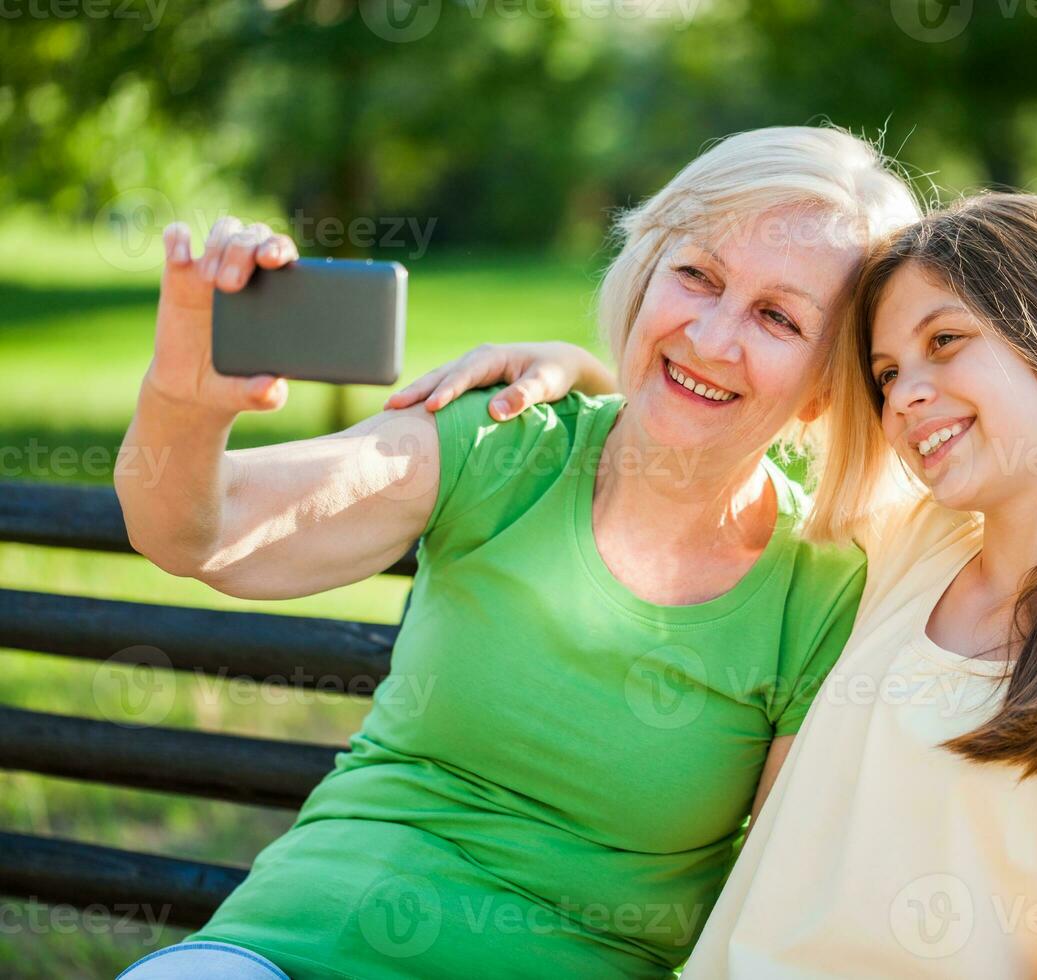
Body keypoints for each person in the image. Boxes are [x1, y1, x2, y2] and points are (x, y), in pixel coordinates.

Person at [113, 126, 922, 979]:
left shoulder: (822, 592)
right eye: (698, 275)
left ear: (828, 386)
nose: (712, 336)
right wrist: (186, 399)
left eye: (777, 318)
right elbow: (194, 530)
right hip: (295, 945)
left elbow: (776, 901)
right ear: (647, 275)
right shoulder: (502, 440)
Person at [414, 192, 1037, 979]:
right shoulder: (911, 553)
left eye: (945, 341)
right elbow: (700, 450)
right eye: (885, 374)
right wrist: (586, 376)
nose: (908, 393)